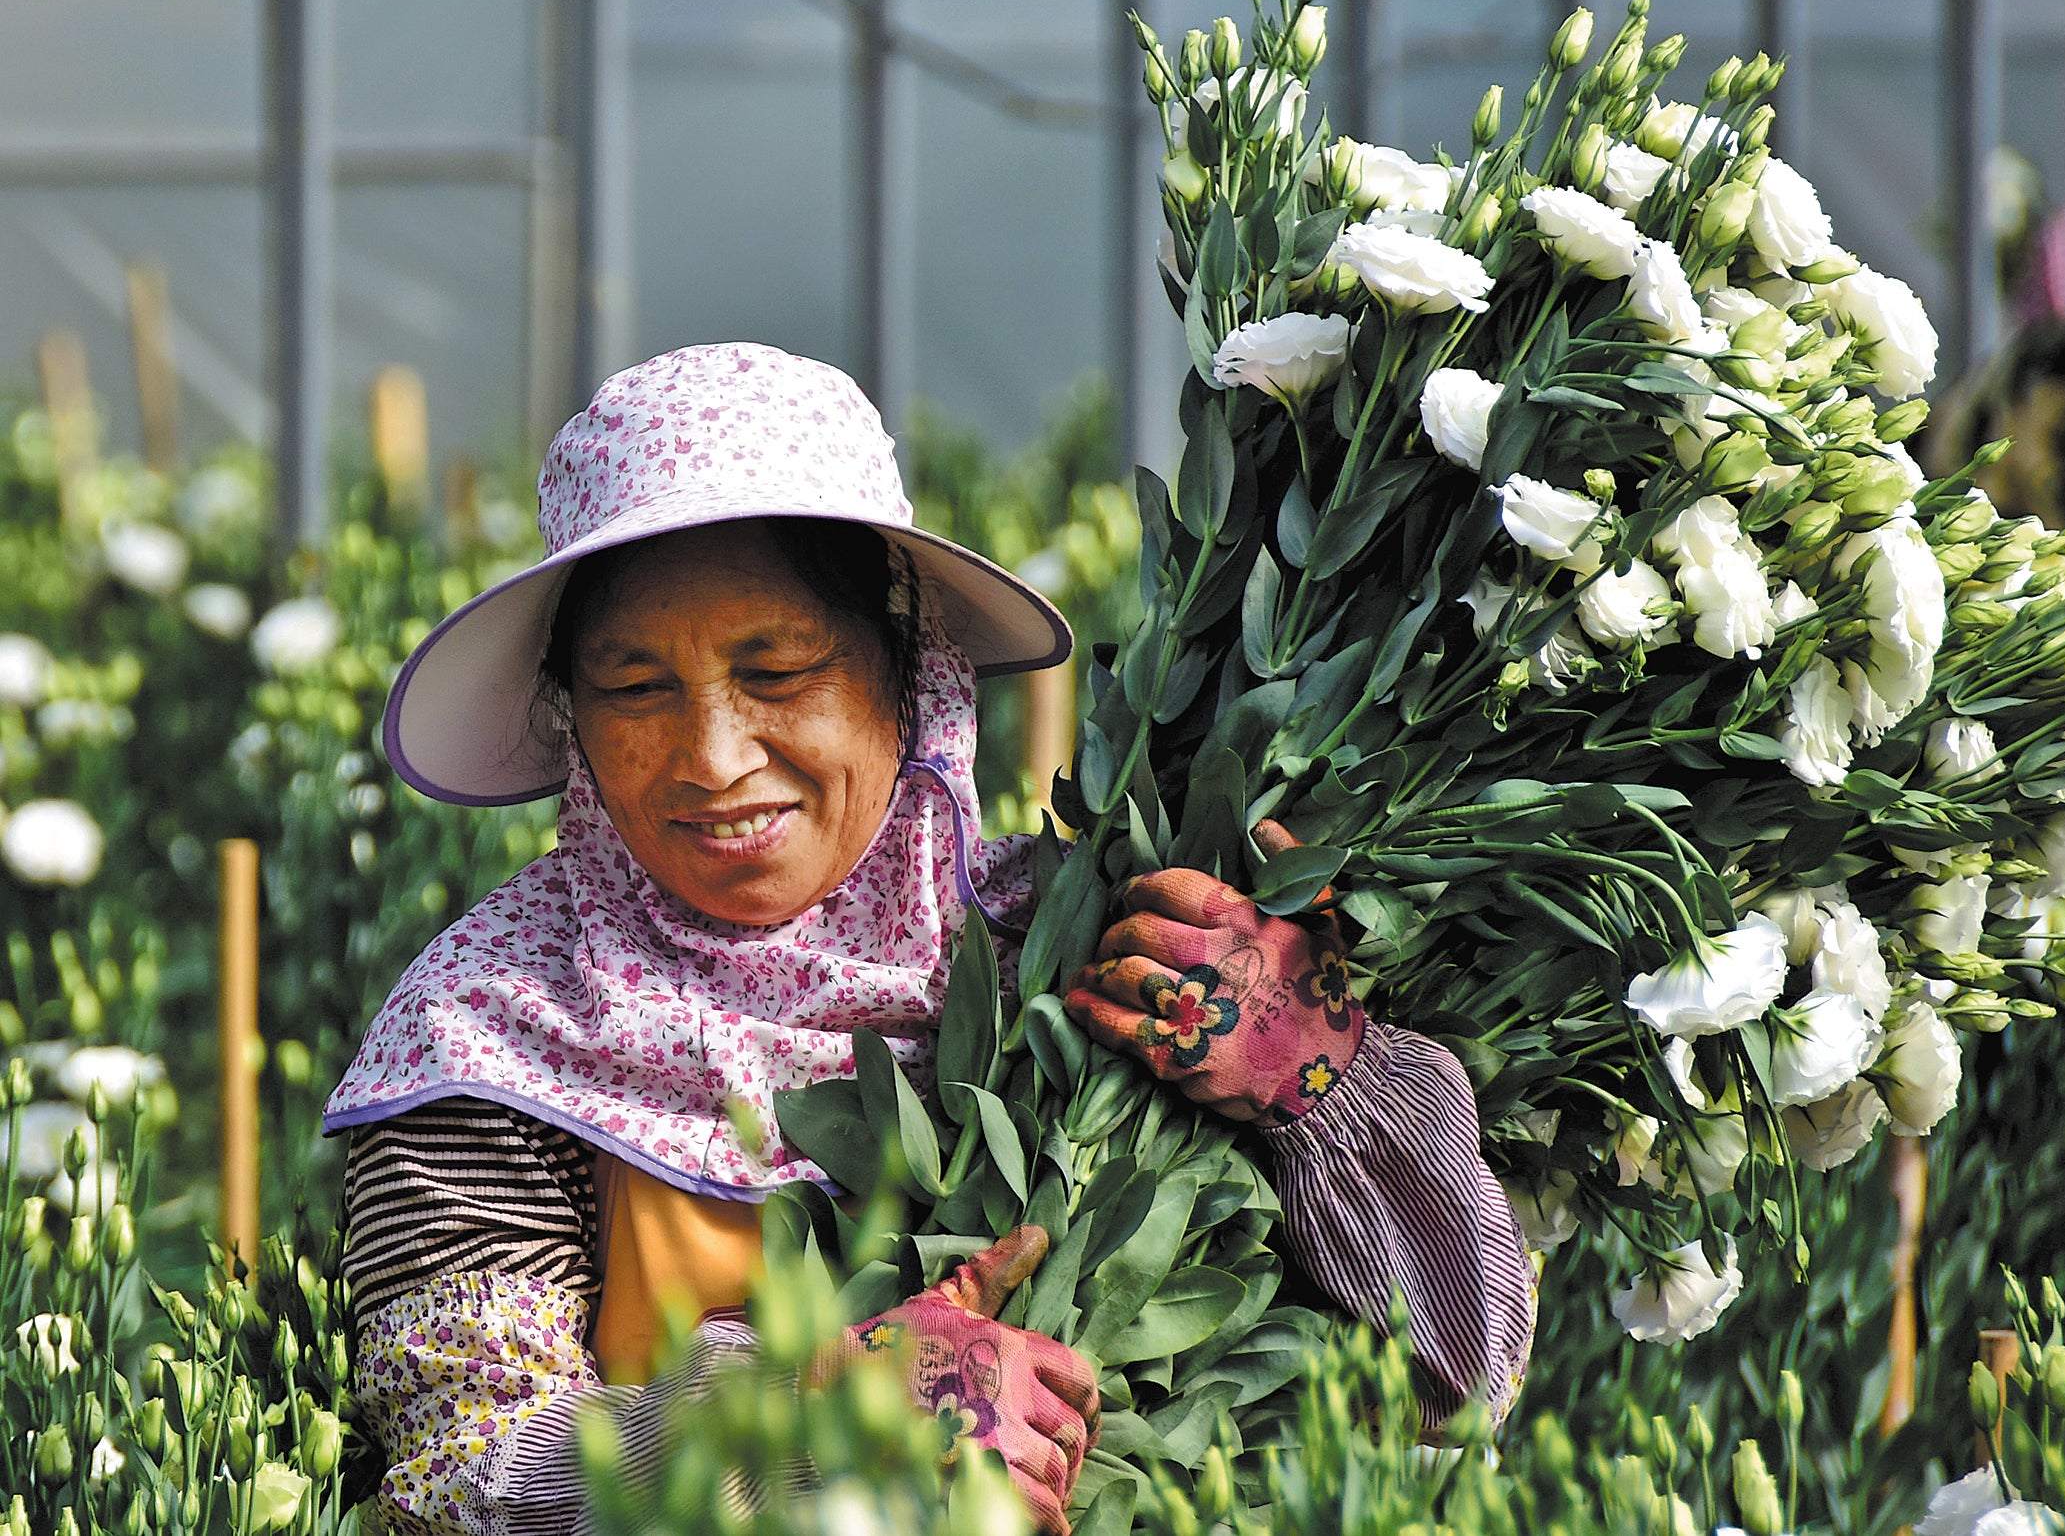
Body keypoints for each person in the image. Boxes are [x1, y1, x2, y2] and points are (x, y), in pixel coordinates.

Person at [327, 343, 1536, 1535]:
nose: (711, 757)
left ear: (911, 675)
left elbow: (1460, 1378)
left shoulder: (1087, 952)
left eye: (779, 668)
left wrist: (1328, 1088)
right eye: (634, 688)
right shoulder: (490, 1037)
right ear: (569, 715)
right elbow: (457, 1482)